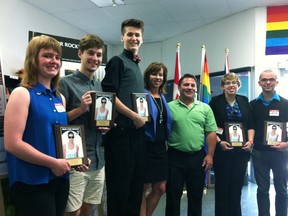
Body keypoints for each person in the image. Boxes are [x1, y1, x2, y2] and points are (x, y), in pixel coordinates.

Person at [4, 35, 71, 216]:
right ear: (33, 59)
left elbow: (59, 138)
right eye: (47, 56)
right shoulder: (22, 93)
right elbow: (12, 144)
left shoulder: (60, 98)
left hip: (59, 177)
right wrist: (52, 163)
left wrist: (75, 159)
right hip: (32, 181)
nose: (54, 61)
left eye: (57, 57)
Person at [101, 18, 146, 216]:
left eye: (137, 35)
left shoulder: (136, 65)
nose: (134, 38)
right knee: (120, 192)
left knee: (136, 190)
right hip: (120, 135)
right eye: (130, 34)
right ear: (122, 38)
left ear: (142, 39)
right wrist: (133, 115)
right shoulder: (117, 61)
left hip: (136, 135)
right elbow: (109, 95)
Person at [59, 34, 107, 216]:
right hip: (77, 161)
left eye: (99, 55)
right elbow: (59, 121)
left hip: (98, 159)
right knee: (72, 211)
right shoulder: (64, 84)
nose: (95, 58)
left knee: (90, 208)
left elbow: (99, 118)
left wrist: (106, 125)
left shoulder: (99, 86)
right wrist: (80, 108)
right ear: (80, 54)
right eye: (91, 53)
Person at [165, 73, 217, 216]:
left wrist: (210, 155)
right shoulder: (169, 107)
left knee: (196, 197)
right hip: (174, 157)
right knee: (172, 197)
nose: (189, 87)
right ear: (179, 87)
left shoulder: (205, 108)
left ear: (196, 89)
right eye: (186, 85)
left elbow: (211, 133)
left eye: (192, 85)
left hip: (197, 158)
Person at [209, 72, 254, 216]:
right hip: (222, 151)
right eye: (227, 83)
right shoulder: (215, 102)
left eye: (234, 82)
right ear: (222, 86)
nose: (231, 85)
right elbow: (210, 126)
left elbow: (251, 124)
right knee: (222, 188)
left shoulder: (244, 101)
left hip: (241, 152)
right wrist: (219, 142)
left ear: (238, 85)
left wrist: (250, 141)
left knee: (236, 188)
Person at [250, 69, 288, 216]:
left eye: (271, 79)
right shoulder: (252, 105)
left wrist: (287, 144)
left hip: (281, 154)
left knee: (282, 189)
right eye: (264, 80)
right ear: (259, 83)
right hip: (259, 153)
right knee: (262, 190)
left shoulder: (285, 104)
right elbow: (250, 127)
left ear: (276, 82)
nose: (268, 82)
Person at [139, 62, 172, 216]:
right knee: (143, 187)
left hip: (160, 148)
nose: (158, 77)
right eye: (154, 74)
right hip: (144, 147)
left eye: (161, 74)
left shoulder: (163, 98)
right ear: (148, 76)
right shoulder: (141, 95)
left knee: (160, 188)